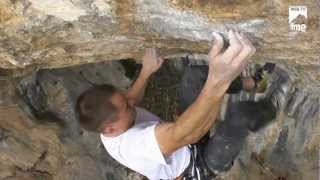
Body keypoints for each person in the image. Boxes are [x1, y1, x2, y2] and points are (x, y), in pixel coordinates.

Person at [75, 30, 278, 180]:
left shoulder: (110, 120)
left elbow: (129, 100)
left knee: (194, 76)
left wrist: (146, 71)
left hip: (182, 141)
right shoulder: (134, 146)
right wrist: (218, 81)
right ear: (111, 128)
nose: (131, 101)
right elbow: (187, 134)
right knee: (241, 114)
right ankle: (273, 106)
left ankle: (254, 83)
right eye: (127, 108)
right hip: (195, 167)